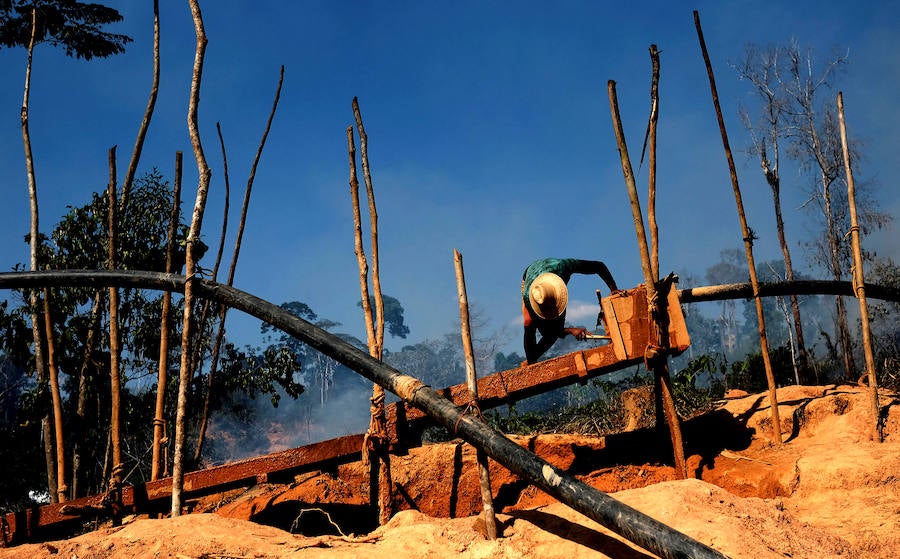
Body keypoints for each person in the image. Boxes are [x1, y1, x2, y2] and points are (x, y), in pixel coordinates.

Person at [522, 258, 619, 364]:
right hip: (529, 277)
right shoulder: (530, 297)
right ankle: (531, 363)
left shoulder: (564, 266)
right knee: (529, 322)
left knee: (552, 332)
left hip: (548, 270)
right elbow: (551, 332)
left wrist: (614, 290)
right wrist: (571, 330)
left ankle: (530, 360)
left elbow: (599, 266)